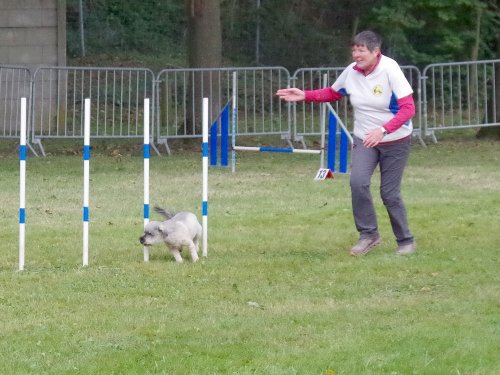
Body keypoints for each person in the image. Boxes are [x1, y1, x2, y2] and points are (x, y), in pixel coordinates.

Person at [276, 30, 416, 256]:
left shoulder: (390, 70)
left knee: (389, 193)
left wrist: (383, 130)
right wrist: (305, 95)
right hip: (364, 138)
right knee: (358, 182)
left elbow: (409, 109)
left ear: (375, 52)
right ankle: (369, 235)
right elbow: (332, 93)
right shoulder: (351, 72)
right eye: (354, 49)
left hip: (395, 139)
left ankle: (405, 240)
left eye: (361, 50)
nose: (356, 55)